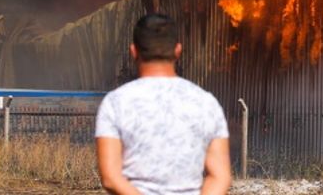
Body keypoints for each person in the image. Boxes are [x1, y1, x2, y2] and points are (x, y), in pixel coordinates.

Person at [95, 13, 232, 195]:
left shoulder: (115, 102)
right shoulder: (206, 103)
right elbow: (220, 177)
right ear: (178, 50)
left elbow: (111, 178)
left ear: (134, 51)